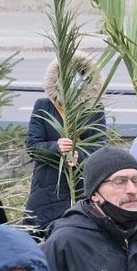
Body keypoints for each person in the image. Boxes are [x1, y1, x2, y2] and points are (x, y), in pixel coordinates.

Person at [25, 54, 108, 234]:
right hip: (47, 188)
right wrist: (56, 147)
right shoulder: (43, 106)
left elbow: (99, 146)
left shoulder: (94, 110)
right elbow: (33, 146)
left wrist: (79, 156)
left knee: (79, 235)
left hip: (80, 188)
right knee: (39, 236)